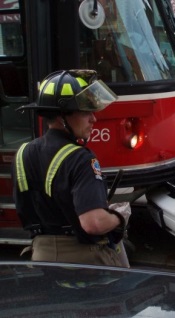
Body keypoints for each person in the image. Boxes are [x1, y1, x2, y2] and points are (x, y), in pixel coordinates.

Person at [12, 69, 130, 267]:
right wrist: (120, 216)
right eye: (85, 112)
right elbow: (93, 223)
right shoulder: (81, 159)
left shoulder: (23, 153)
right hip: (83, 262)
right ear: (60, 117)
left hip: (41, 257)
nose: (94, 119)